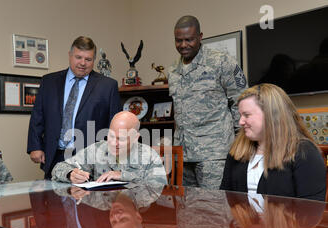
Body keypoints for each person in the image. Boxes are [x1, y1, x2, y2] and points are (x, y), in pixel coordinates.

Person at [168, 15, 248, 189]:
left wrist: (241, 144)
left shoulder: (221, 62)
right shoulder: (173, 69)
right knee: (187, 210)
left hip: (214, 154)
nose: (183, 45)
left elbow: (241, 102)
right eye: (178, 40)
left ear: (200, 37)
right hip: (183, 153)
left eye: (189, 39)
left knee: (214, 209)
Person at [27, 36, 121, 179]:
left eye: (88, 59)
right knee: (53, 198)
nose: (83, 63)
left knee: (87, 199)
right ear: (70, 55)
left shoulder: (108, 86)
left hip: (91, 159)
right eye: (78, 57)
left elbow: (115, 124)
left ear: (94, 60)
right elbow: (37, 116)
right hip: (54, 155)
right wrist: (35, 147)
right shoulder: (49, 81)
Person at [220, 83, 326, 201]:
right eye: (240, 115)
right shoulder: (237, 151)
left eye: (246, 115)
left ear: (270, 115)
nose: (240, 122)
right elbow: (226, 200)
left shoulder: (304, 152)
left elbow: (310, 212)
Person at [51, 111, 167, 185]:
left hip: (135, 208)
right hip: (103, 213)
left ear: (135, 138)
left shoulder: (149, 156)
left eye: (120, 139)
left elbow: (159, 188)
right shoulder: (97, 150)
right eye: (111, 136)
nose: (113, 143)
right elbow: (58, 168)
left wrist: (122, 175)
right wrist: (70, 174)